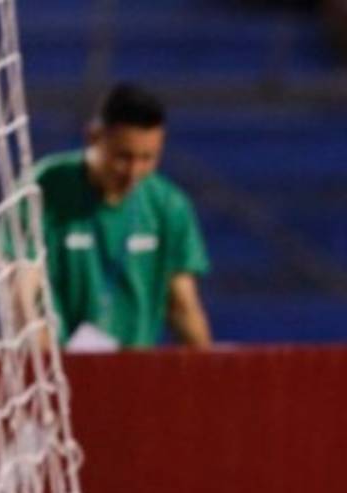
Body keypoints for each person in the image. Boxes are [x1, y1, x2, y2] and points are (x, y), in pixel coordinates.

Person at [32, 82, 212, 349]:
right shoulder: (45, 188)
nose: (133, 171)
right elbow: (24, 293)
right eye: (123, 157)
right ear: (93, 137)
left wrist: (209, 376)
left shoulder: (168, 205)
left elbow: (183, 305)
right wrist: (49, 370)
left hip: (134, 372)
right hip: (57, 369)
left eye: (147, 158)